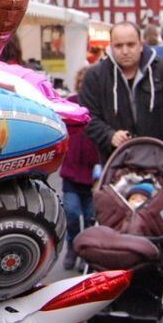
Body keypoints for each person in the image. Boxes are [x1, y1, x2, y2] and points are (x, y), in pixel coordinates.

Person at [80, 21, 163, 159]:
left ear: (141, 45)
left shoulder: (161, 69)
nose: (125, 51)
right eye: (119, 46)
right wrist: (109, 135)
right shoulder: (96, 75)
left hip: (157, 159)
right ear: (111, 46)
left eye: (131, 44)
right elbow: (86, 115)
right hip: (115, 161)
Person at [60, 66, 100, 271]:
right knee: (72, 213)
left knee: (92, 217)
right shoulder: (70, 103)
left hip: (94, 174)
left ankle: (88, 253)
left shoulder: (101, 106)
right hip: (71, 171)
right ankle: (72, 247)